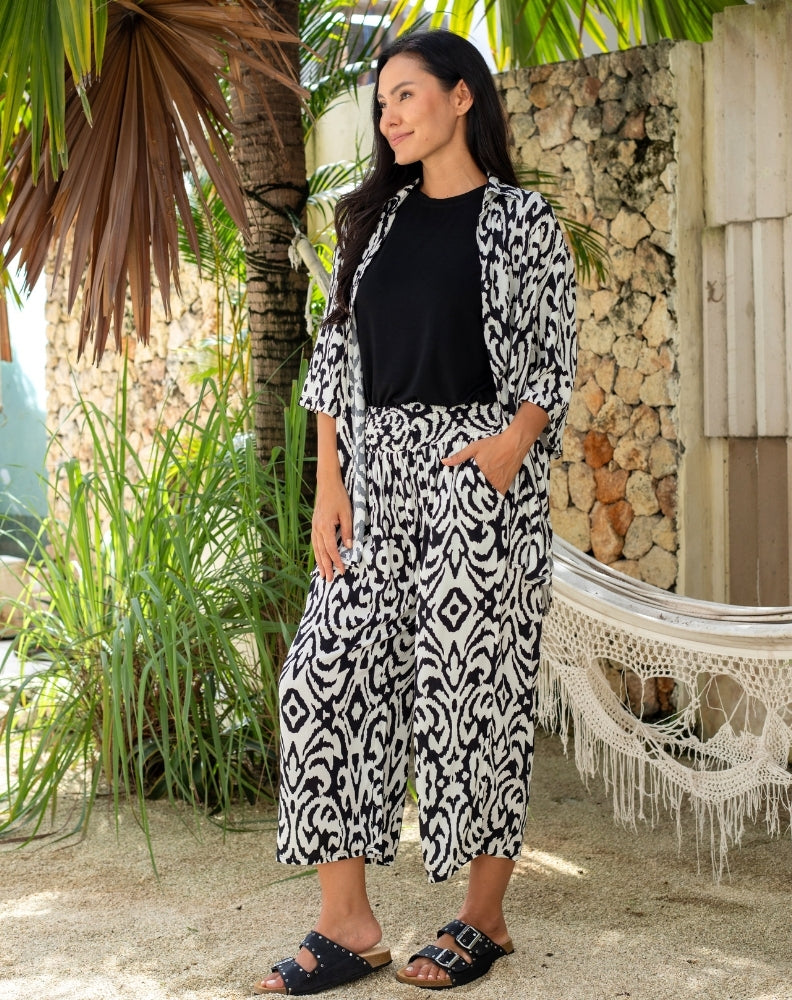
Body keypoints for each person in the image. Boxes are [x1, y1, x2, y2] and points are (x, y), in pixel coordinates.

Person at [254, 27, 577, 996]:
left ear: (461, 97)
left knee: (477, 698)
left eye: (404, 95)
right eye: (381, 102)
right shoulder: (376, 225)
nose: (388, 116)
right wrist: (330, 485)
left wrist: (509, 451)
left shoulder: (522, 221)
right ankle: (347, 924)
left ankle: (483, 916)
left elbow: (551, 357)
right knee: (321, 680)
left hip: (474, 481)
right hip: (375, 487)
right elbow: (335, 362)